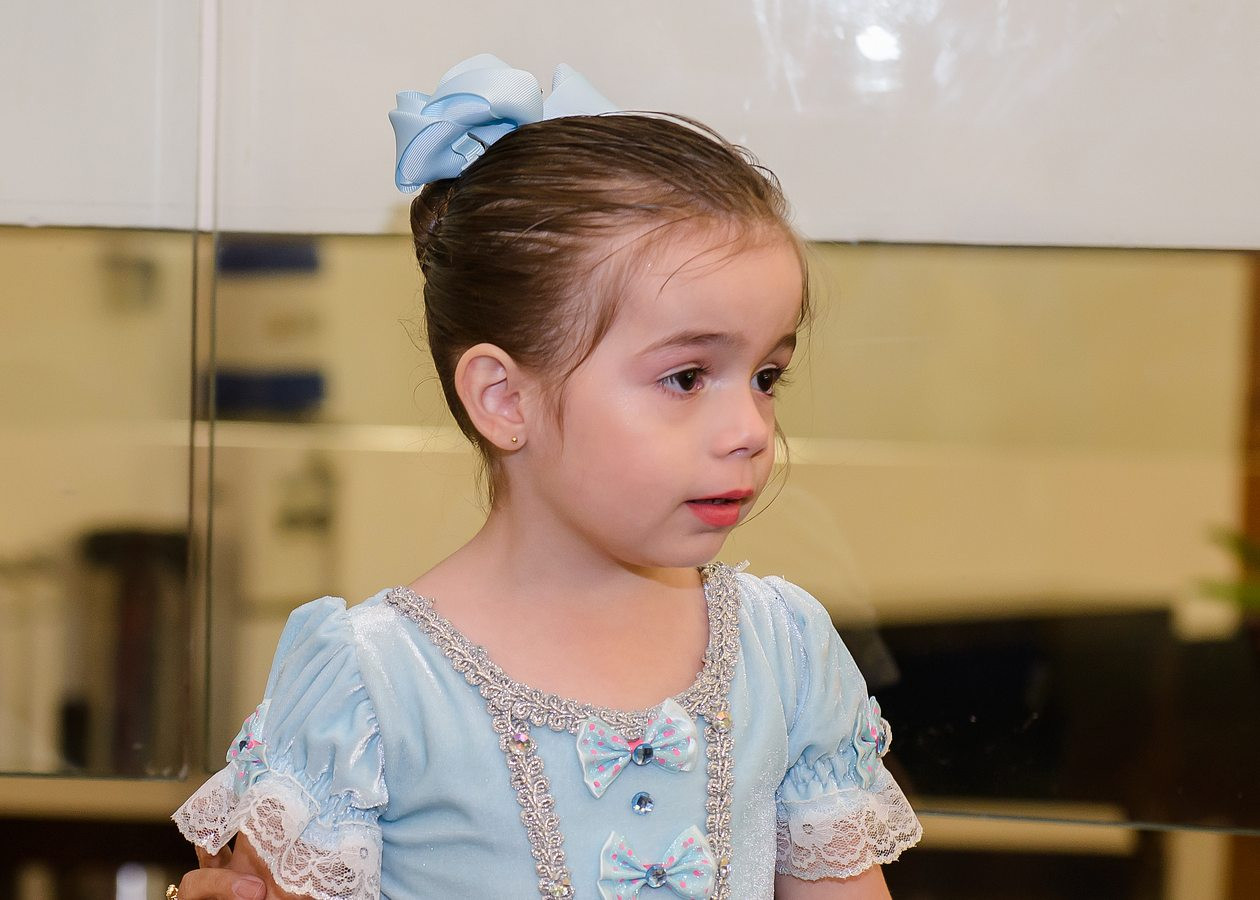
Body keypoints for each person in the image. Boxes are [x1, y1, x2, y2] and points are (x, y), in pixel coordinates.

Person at [170, 54, 922, 900]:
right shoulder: (373, 686)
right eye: (686, 378)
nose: (751, 430)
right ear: (505, 398)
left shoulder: (783, 654)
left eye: (766, 376)